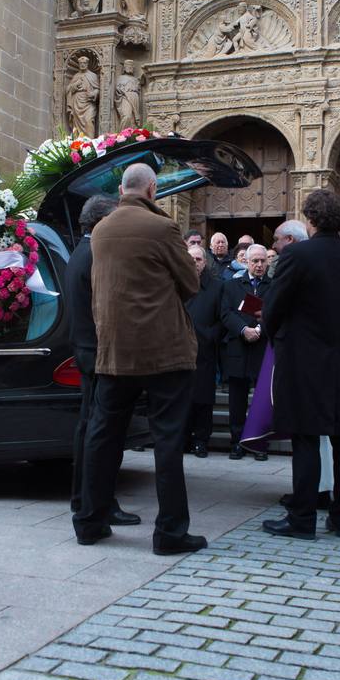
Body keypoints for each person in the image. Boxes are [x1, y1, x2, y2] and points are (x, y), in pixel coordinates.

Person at [73, 164, 206, 556]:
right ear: (152, 189)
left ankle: (89, 522)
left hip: (114, 350)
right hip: (164, 351)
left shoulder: (100, 230)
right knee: (167, 439)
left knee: (103, 435)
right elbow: (191, 283)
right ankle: (169, 533)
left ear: (120, 189)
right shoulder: (162, 228)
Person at [261, 190, 340, 540]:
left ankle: (302, 518)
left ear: (311, 219)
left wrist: (274, 335)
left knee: (306, 438)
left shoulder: (299, 255)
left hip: (303, 359)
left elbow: (275, 305)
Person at [64, 195, 139, 527]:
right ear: (102, 222)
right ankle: (99, 503)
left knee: (88, 429)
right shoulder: (96, 252)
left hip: (85, 349)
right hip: (98, 352)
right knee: (103, 433)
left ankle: (84, 497)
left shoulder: (79, 251)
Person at [219, 244, 271, 460]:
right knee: (237, 401)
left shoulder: (275, 285)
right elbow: (225, 313)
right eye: (255, 261)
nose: (259, 265)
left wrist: (259, 329)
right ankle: (236, 442)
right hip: (238, 349)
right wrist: (243, 330)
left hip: (262, 349)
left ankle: (260, 443)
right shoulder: (231, 286)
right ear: (247, 262)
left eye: (262, 261)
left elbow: (278, 312)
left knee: (262, 401)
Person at [185, 244, 222, 458]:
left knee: (203, 401)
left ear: (205, 262)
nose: (194, 263)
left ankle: (201, 440)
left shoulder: (217, 288)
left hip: (205, 353)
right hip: (181, 352)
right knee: (184, 400)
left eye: (198, 259)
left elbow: (222, 318)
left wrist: (209, 336)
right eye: (190, 259)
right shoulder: (177, 285)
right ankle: (185, 439)